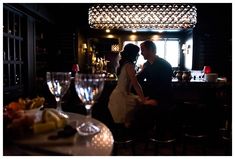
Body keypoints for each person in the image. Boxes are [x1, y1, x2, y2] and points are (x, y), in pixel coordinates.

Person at [132, 40, 174, 137]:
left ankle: (157, 135)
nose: (141, 53)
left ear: (150, 50)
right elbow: (138, 80)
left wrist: (155, 100)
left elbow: (165, 87)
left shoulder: (165, 65)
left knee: (141, 111)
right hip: (153, 96)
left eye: (142, 50)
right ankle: (148, 134)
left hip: (164, 99)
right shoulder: (146, 65)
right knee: (136, 106)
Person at [108, 43, 146, 127]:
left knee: (128, 120)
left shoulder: (125, 64)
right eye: (137, 52)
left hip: (118, 95)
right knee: (142, 106)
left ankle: (126, 133)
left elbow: (129, 82)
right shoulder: (129, 65)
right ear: (133, 54)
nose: (139, 54)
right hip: (121, 97)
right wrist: (143, 99)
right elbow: (135, 84)